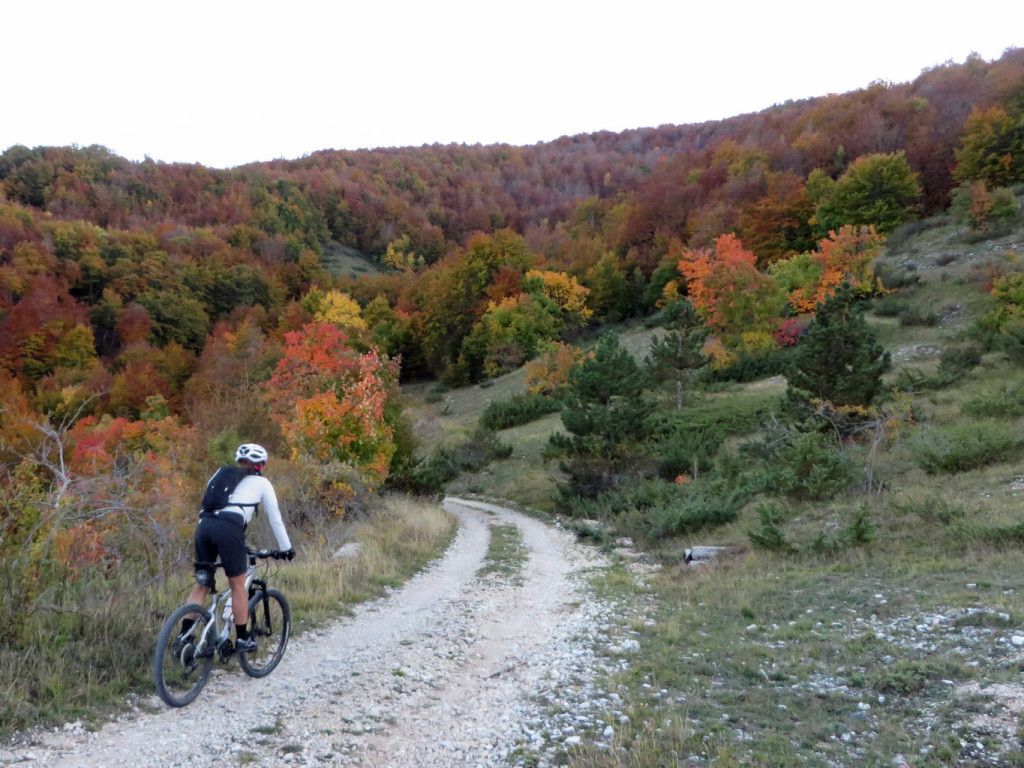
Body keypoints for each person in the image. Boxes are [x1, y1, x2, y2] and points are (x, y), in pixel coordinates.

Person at [184, 443, 295, 652]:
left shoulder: (220, 474)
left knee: (203, 584)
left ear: (238, 461)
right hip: (229, 528)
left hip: (204, 526)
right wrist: (286, 548)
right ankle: (243, 638)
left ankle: (183, 637)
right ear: (261, 465)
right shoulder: (262, 483)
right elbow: (275, 519)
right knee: (237, 586)